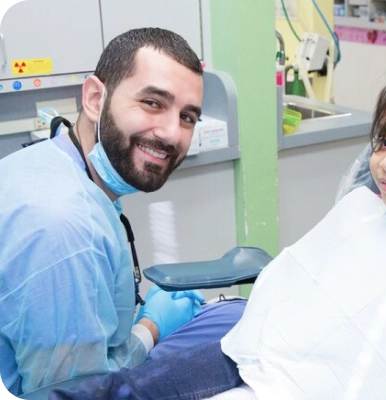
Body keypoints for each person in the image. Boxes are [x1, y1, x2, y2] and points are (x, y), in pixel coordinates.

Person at [47, 73, 386, 400]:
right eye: (384, 142)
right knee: (125, 389)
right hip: (256, 352)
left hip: (315, 383)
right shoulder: (367, 211)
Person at [0, 28, 246, 397]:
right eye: (152, 103)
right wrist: (149, 329)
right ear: (96, 99)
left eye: (187, 117)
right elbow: (74, 393)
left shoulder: (52, 166)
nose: (171, 133)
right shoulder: (63, 226)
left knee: (237, 318)